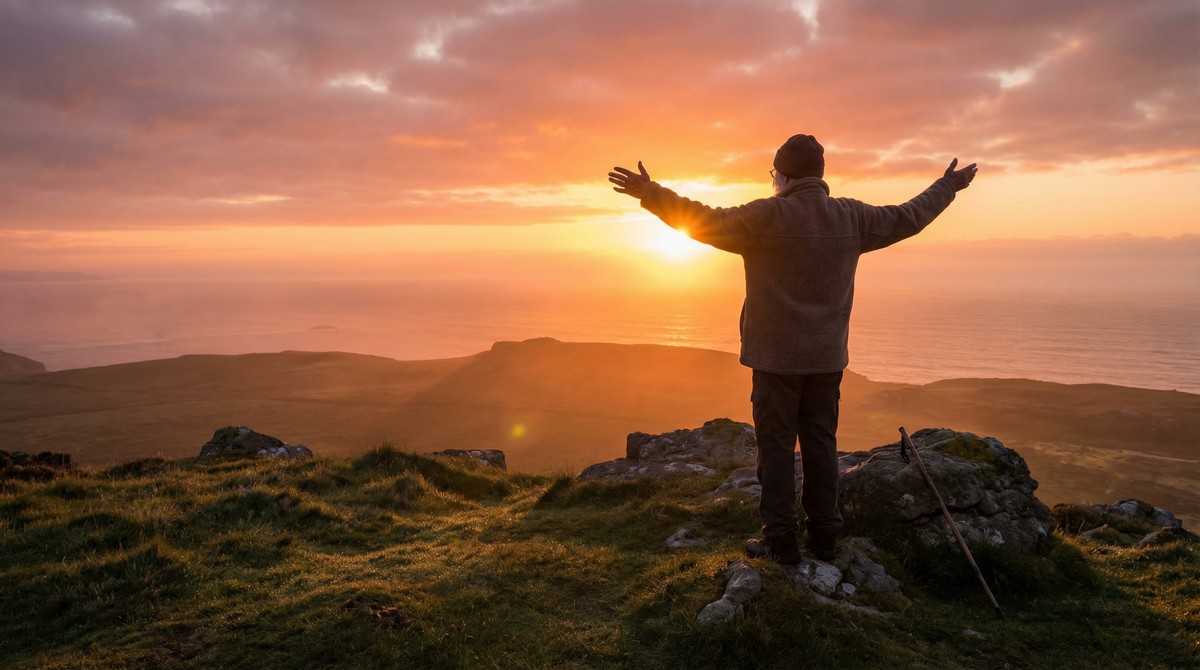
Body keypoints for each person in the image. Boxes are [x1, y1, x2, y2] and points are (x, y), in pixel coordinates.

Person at [608, 134, 977, 564]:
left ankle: (781, 542)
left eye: (773, 173)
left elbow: (702, 219)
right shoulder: (850, 217)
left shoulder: (768, 215)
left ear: (782, 175)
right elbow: (908, 216)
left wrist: (652, 194)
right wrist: (947, 186)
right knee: (821, 446)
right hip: (826, 360)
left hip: (775, 362)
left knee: (777, 448)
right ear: (819, 176)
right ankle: (824, 538)